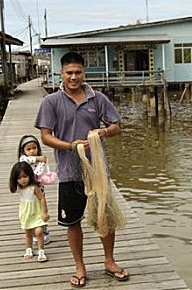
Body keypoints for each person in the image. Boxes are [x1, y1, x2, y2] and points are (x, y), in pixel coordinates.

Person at [35, 51, 130, 288]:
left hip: (98, 169)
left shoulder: (98, 99)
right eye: (69, 73)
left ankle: (109, 261)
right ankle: (80, 266)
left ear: (84, 72)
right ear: (61, 73)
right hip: (69, 171)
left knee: (104, 217)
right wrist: (70, 145)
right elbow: (46, 137)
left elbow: (116, 126)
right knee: (73, 221)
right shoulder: (51, 102)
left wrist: (103, 132)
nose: (74, 77)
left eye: (78, 72)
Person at [17, 134, 56, 244]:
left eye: (34, 148)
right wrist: (37, 158)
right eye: (28, 149)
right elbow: (24, 160)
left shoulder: (41, 162)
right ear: (23, 150)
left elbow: (37, 174)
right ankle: (32, 231)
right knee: (29, 210)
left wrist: (40, 161)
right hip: (27, 192)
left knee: (41, 210)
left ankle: (44, 231)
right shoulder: (23, 160)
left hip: (39, 190)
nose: (32, 151)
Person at [9, 161, 50, 262]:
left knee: (39, 231)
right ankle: (29, 249)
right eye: (19, 178)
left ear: (30, 175)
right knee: (28, 233)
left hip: (36, 212)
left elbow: (42, 198)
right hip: (26, 213)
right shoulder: (20, 188)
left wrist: (45, 212)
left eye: (25, 176)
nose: (23, 180)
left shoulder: (34, 187)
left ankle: (41, 250)